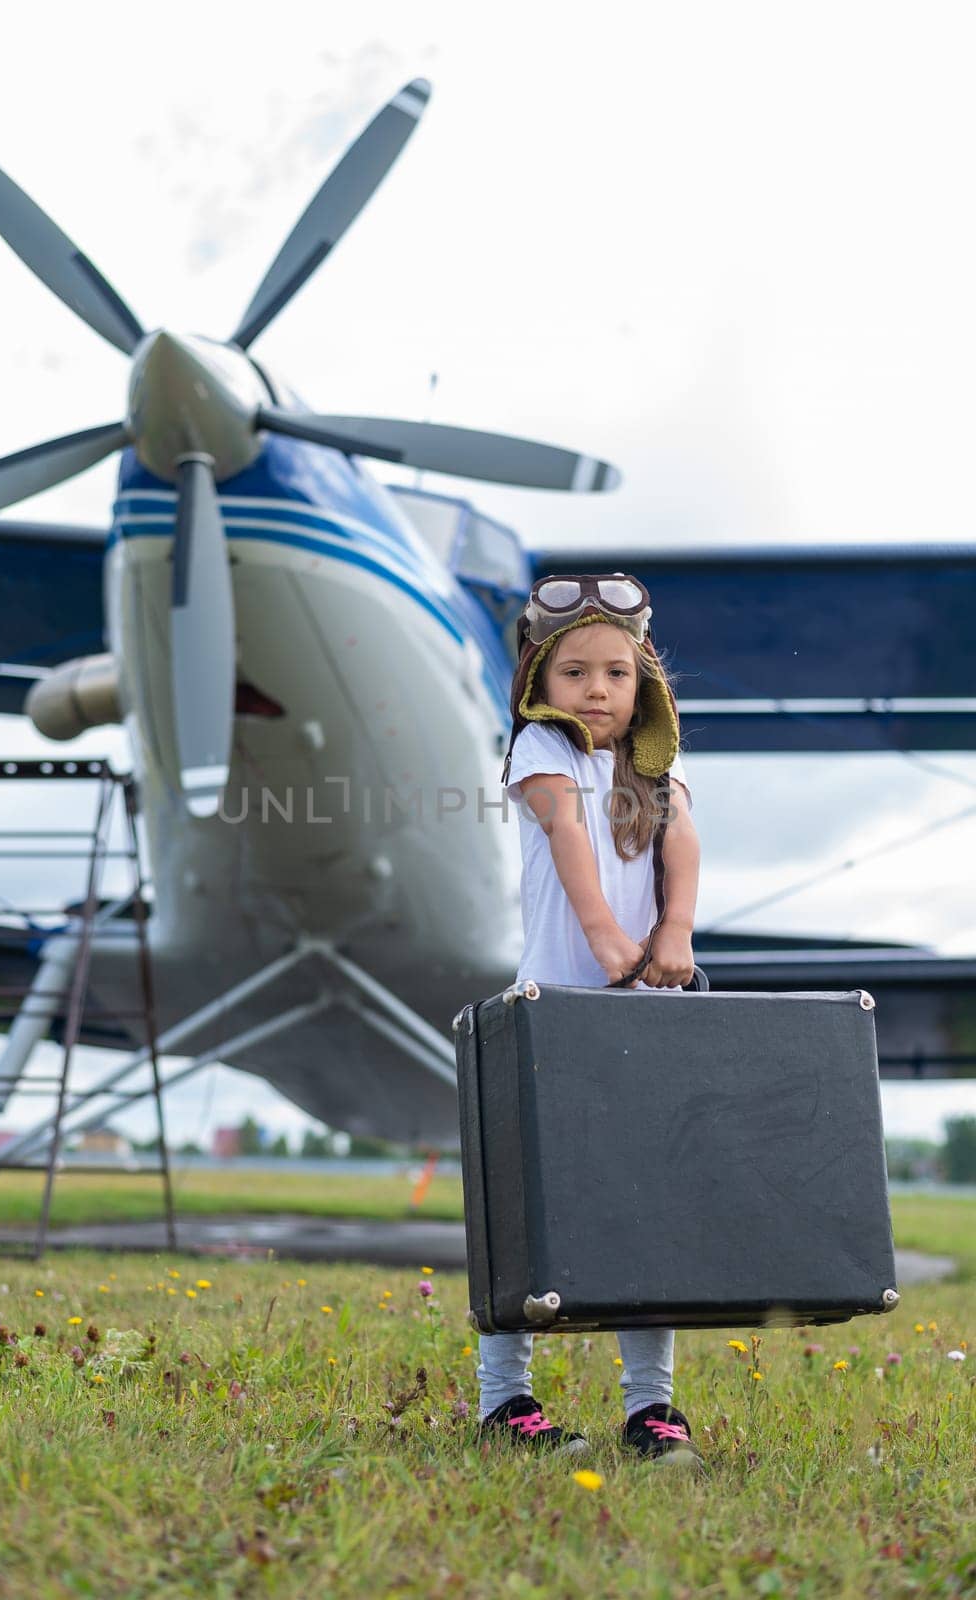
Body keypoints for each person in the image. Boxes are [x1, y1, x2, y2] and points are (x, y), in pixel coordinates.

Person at [478, 572, 703, 1470]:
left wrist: (673, 930)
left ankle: (651, 1406)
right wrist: (610, 938)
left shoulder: (657, 768)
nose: (597, 690)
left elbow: (679, 838)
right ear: (541, 682)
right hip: (554, 1009)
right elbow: (569, 833)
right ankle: (506, 1400)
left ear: (644, 680)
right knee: (528, 1208)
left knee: (647, 1209)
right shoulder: (542, 750)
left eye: (616, 672)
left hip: (648, 1018)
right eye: (575, 673)